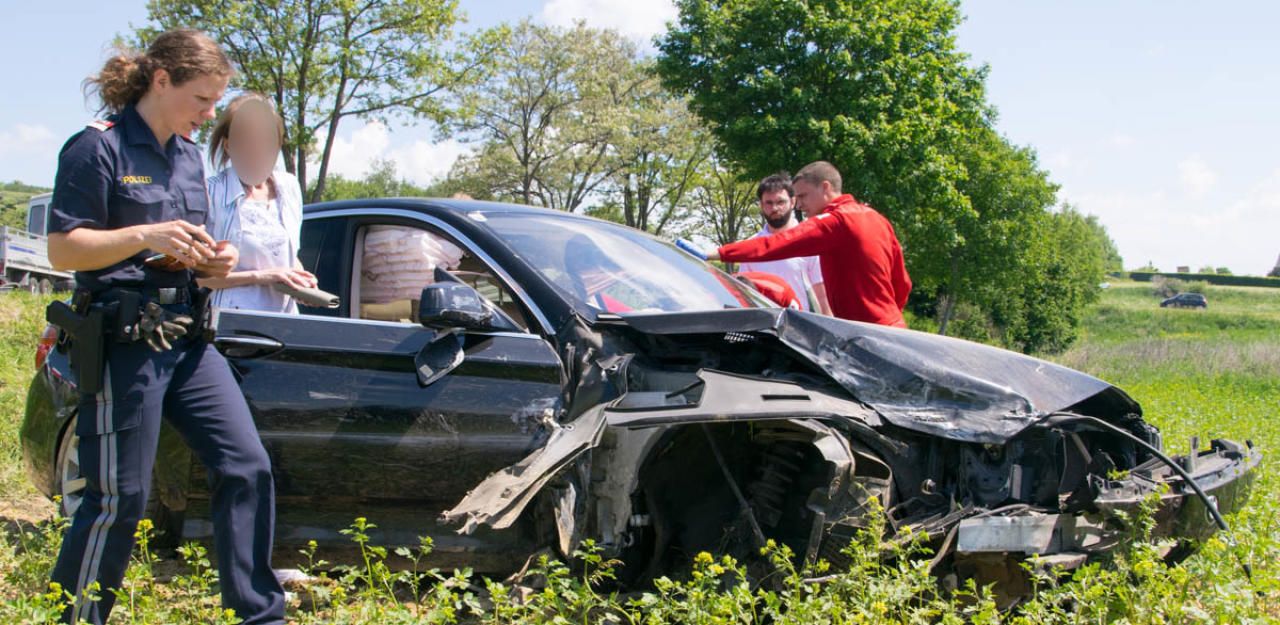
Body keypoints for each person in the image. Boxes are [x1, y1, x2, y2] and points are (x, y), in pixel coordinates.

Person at [45, 30, 285, 624]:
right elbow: (61, 249)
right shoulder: (97, 149)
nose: (211, 114)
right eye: (204, 99)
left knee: (246, 465)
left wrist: (215, 263)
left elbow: (186, 257)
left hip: (188, 339)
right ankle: (74, 617)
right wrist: (143, 235)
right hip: (124, 344)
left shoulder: (186, 156)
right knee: (119, 498)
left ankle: (260, 614)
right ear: (161, 81)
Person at [706, 161, 912, 327]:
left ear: (825, 187)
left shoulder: (835, 222)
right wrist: (889, 317)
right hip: (892, 329)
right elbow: (902, 283)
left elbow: (779, 243)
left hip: (865, 333)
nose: (801, 204)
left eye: (803, 196)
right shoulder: (877, 218)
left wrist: (717, 253)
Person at [201, 93, 315, 312]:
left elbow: (287, 259)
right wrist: (262, 277)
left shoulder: (289, 188)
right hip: (228, 331)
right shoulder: (209, 192)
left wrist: (301, 281)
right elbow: (197, 280)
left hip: (284, 328)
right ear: (227, 145)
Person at [736, 172, 830, 314]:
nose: (774, 208)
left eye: (780, 202)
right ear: (761, 205)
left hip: (801, 327)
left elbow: (822, 295)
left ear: (792, 202)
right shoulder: (751, 247)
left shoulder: (810, 242)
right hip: (761, 326)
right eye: (769, 203)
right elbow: (743, 292)